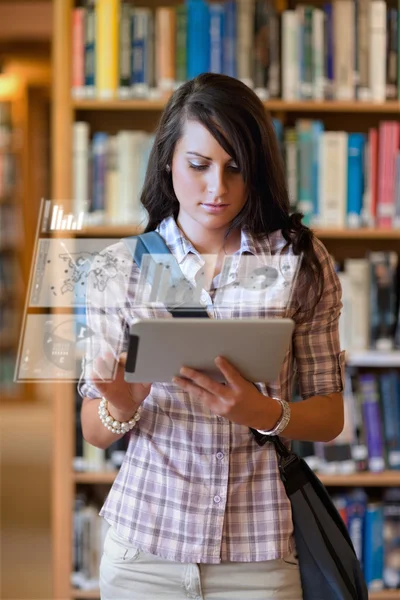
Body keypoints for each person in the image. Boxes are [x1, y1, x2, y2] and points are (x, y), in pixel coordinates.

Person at [78, 72, 346, 600]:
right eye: (198, 165)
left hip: (260, 555)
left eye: (235, 167)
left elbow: (331, 416)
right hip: (143, 552)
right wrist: (120, 403)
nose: (217, 188)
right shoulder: (119, 268)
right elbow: (94, 430)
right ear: (168, 162)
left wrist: (265, 414)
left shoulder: (301, 262)